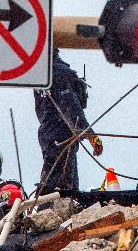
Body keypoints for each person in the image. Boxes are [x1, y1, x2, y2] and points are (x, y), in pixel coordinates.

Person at [34, 52, 102, 193]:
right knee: (60, 187)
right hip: (61, 135)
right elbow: (71, 108)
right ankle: (49, 210)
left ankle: (55, 208)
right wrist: (90, 135)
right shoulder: (60, 73)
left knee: (60, 183)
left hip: (48, 133)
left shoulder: (40, 76)